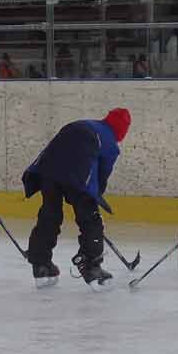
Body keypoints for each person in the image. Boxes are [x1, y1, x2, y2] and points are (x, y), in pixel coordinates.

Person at [22, 108, 131, 291]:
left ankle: (41, 264)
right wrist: (89, 197)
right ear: (122, 131)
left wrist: (70, 187)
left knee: (50, 214)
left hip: (49, 168)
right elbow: (101, 176)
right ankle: (90, 264)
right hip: (76, 171)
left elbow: (56, 151)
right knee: (90, 218)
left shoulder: (83, 124)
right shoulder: (110, 144)